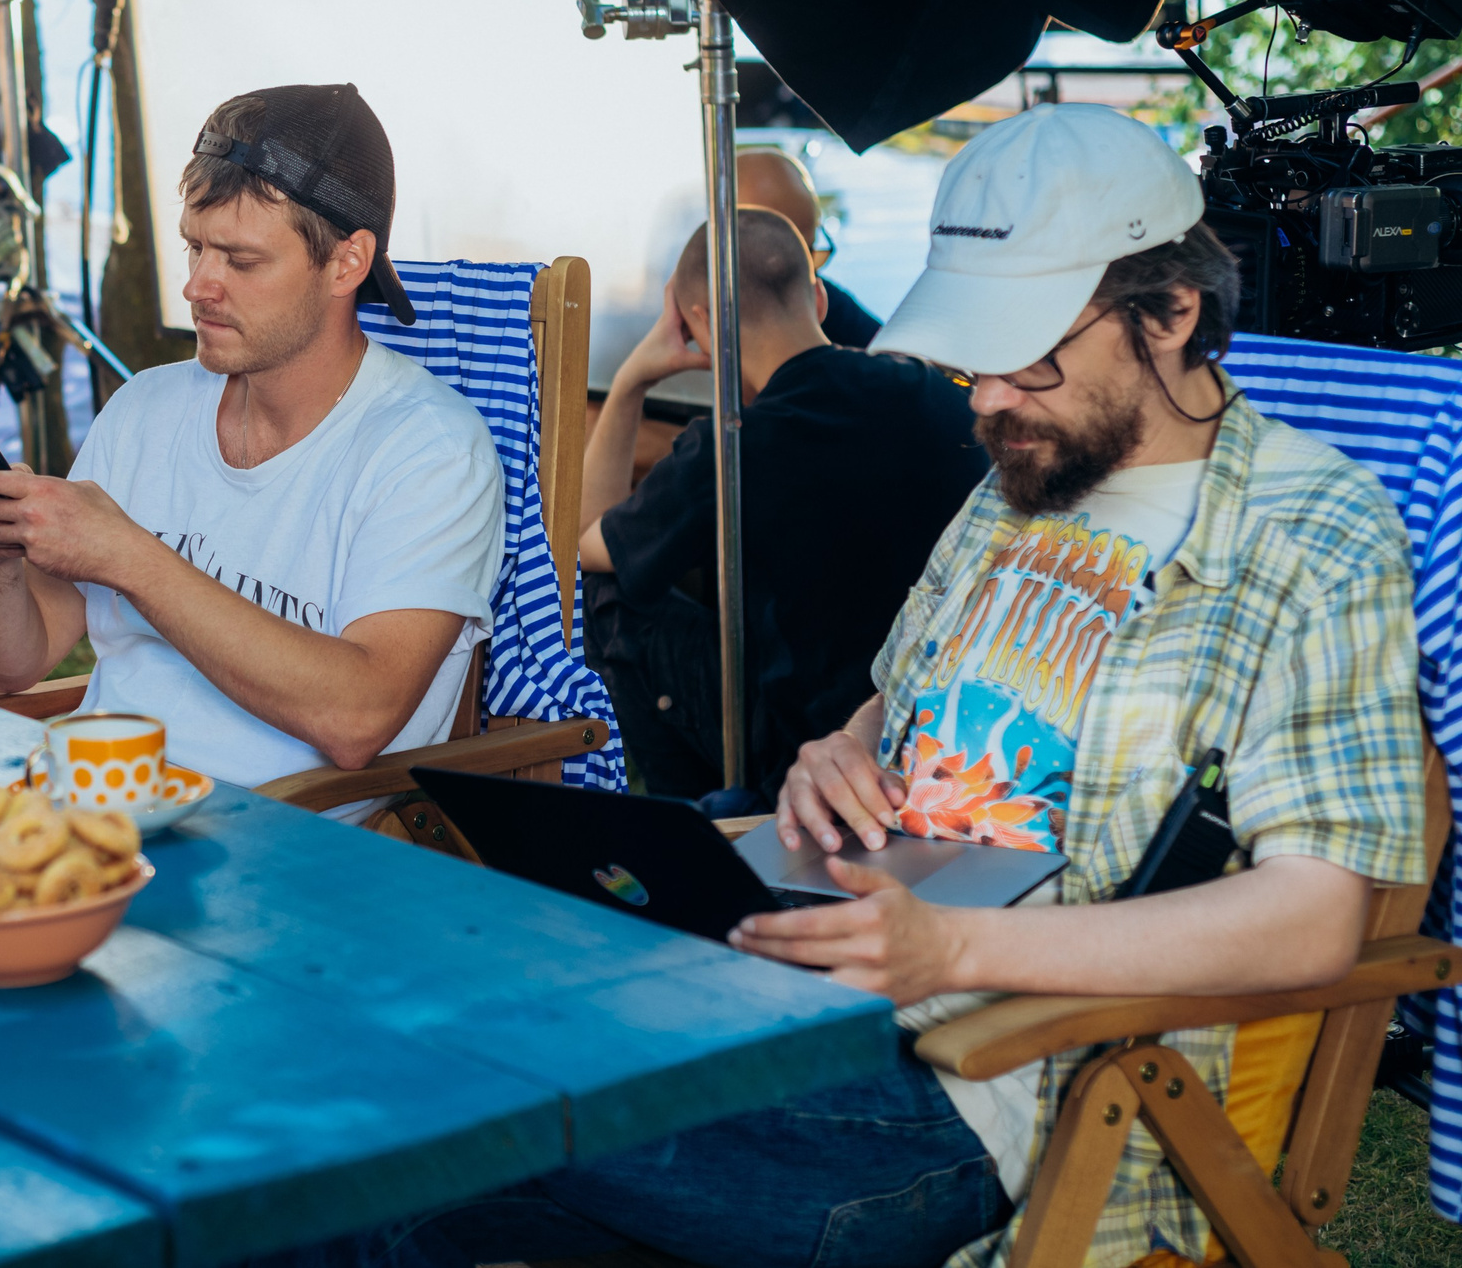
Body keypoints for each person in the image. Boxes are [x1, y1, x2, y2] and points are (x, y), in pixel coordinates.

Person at [241, 104, 1426, 1268]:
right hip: (798, 977)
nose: (984, 398)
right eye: (973, 359)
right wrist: (841, 751)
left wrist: (953, 952)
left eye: (1023, 360)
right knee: (368, 1099)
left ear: (1169, 313)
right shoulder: (1018, 482)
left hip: (990, 1083)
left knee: (403, 1096)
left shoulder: (1310, 534)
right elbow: (894, 703)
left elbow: (1317, 909)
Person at [0, 84, 504, 802]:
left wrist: (130, 556)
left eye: (240, 261)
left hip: (277, 848)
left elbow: (358, 715)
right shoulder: (146, 408)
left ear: (347, 263)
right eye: (194, 246)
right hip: (91, 808)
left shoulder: (428, 450)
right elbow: (6, 669)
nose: (197, 286)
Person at [578, 206, 987, 802]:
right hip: (935, 719)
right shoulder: (937, 394)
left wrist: (632, 380)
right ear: (819, 300)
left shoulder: (732, 445)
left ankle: (698, 820)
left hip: (800, 750)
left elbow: (588, 545)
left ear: (698, 323)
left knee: (607, 597)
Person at [737, 145, 881, 347]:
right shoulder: (696, 341)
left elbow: (897, 357)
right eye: (780, 264)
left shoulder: (824, 301)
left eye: (809, 256)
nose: (805, 280)